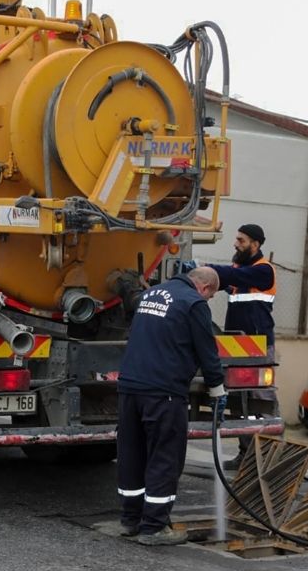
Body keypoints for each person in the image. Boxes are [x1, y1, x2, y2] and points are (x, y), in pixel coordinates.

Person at [116, 266, 227, 546]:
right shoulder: (193, 304)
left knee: (132, 453)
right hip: (163, 391)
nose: (209, 300)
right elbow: (207, 350)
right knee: (165, 455)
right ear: (204, 288)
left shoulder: (150, 294)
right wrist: (217, 390)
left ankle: (131, 520)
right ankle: (154, 527)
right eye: (211, 296)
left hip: (130, 387)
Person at [206, 223, 277, 471]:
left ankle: (268, 460)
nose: (236, 243)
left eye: (241, 240)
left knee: (262, 402)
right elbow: (227, 280)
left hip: (258, 347)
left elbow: (231, 276)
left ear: (255, 244)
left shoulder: (263, 271)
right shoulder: (240, 270)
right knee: (242, 406)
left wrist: (205, 269)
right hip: (236, 347)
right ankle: (246, 456)